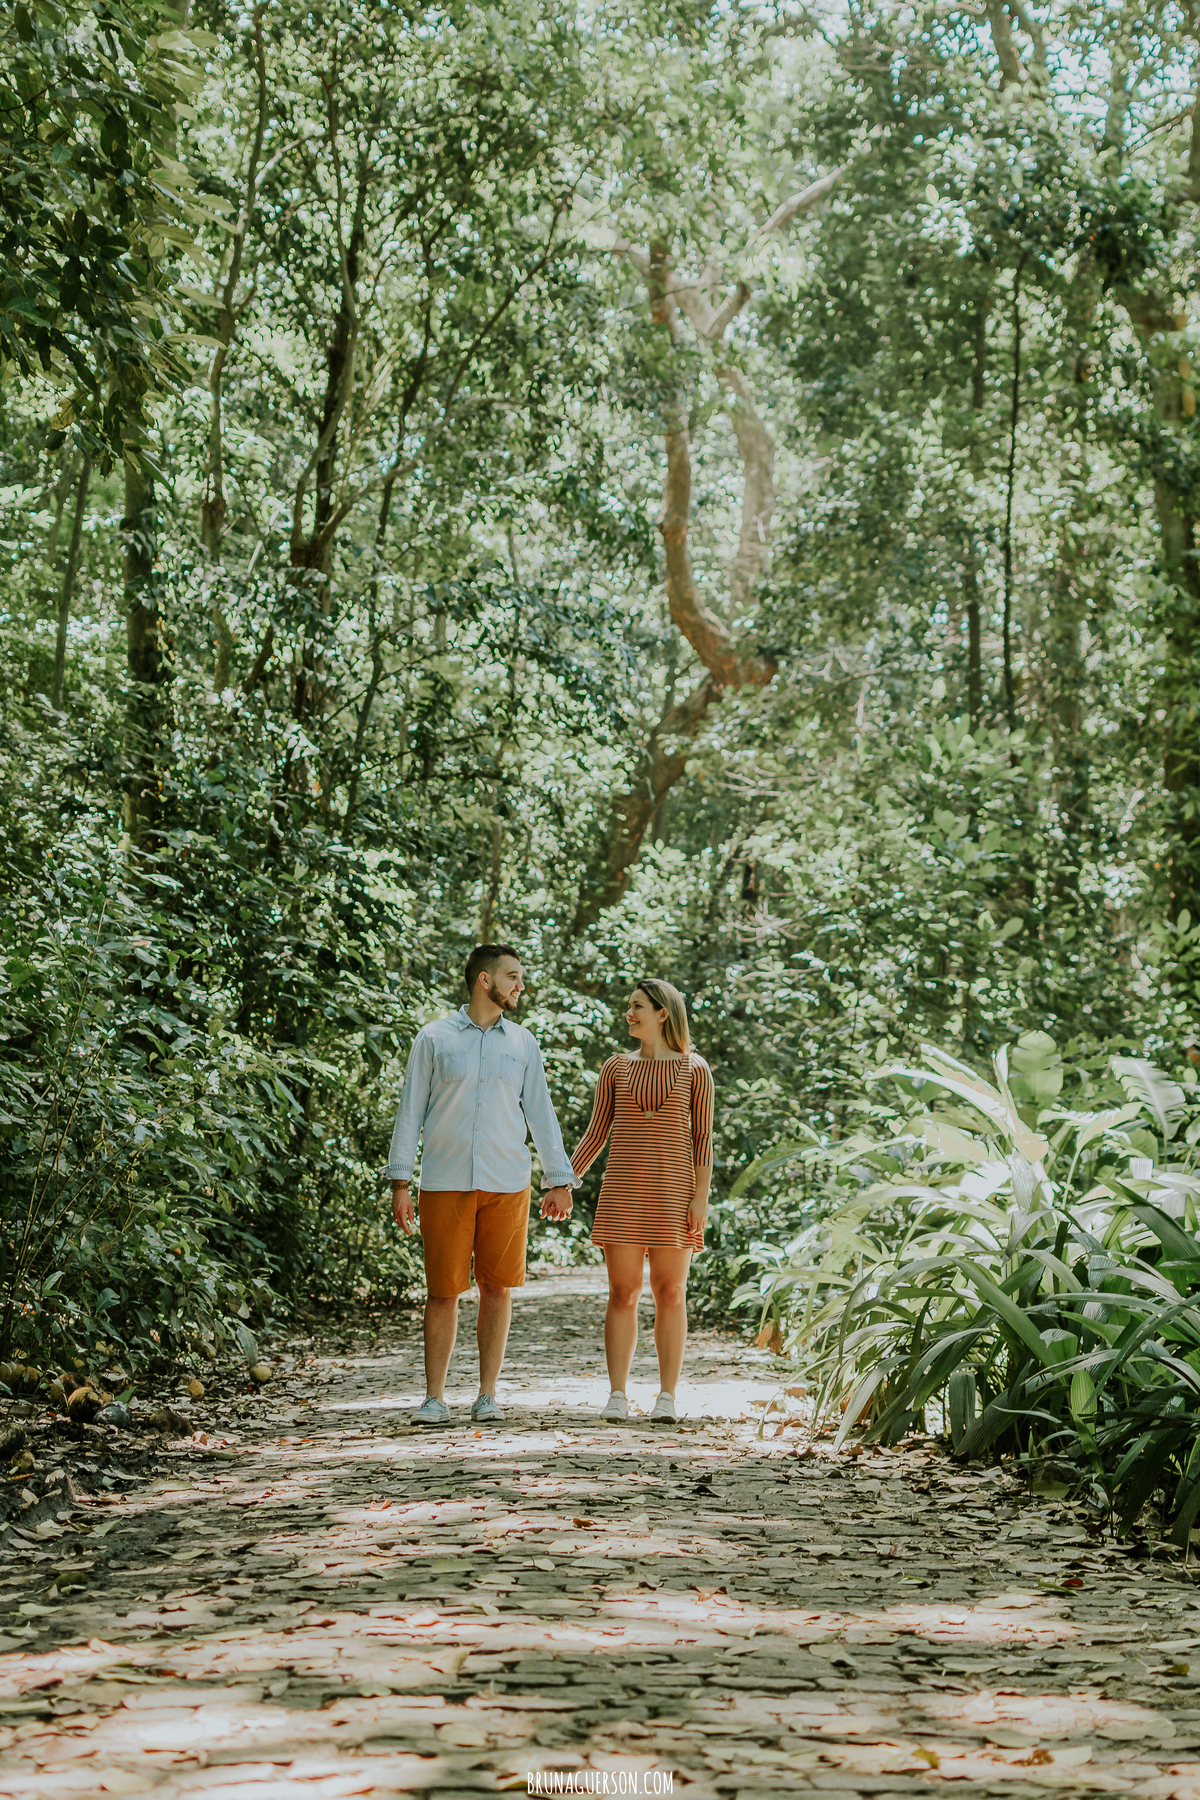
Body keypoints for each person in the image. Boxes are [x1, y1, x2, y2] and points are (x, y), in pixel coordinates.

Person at [386, 944, 576, 1426]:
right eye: (512, 976)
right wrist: (400, 1181)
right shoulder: (434, 1037)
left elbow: (541, 1113)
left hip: (507, 1182)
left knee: (498, 1288)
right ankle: (434, 1398)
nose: (520, 985)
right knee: (442, 1290)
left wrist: (559, 1180)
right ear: (484, 980)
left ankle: (487, 1395)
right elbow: (410, 1110)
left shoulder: (523, 1043)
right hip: (445, 1181)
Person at [570, 977, 714, 1425]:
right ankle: (617, 1394)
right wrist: (563, 1181)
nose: (629, 1014)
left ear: (662, 1013)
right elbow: (596, 1132)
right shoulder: (616, 1067)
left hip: (674, 1195)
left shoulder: (695, 1069)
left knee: (671, 1292)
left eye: (637, 1006)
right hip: (623, 1193)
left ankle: (666, 1396)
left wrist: (701, 1197)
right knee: (622, 1292)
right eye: (629, 1006)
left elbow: (703, 1139)